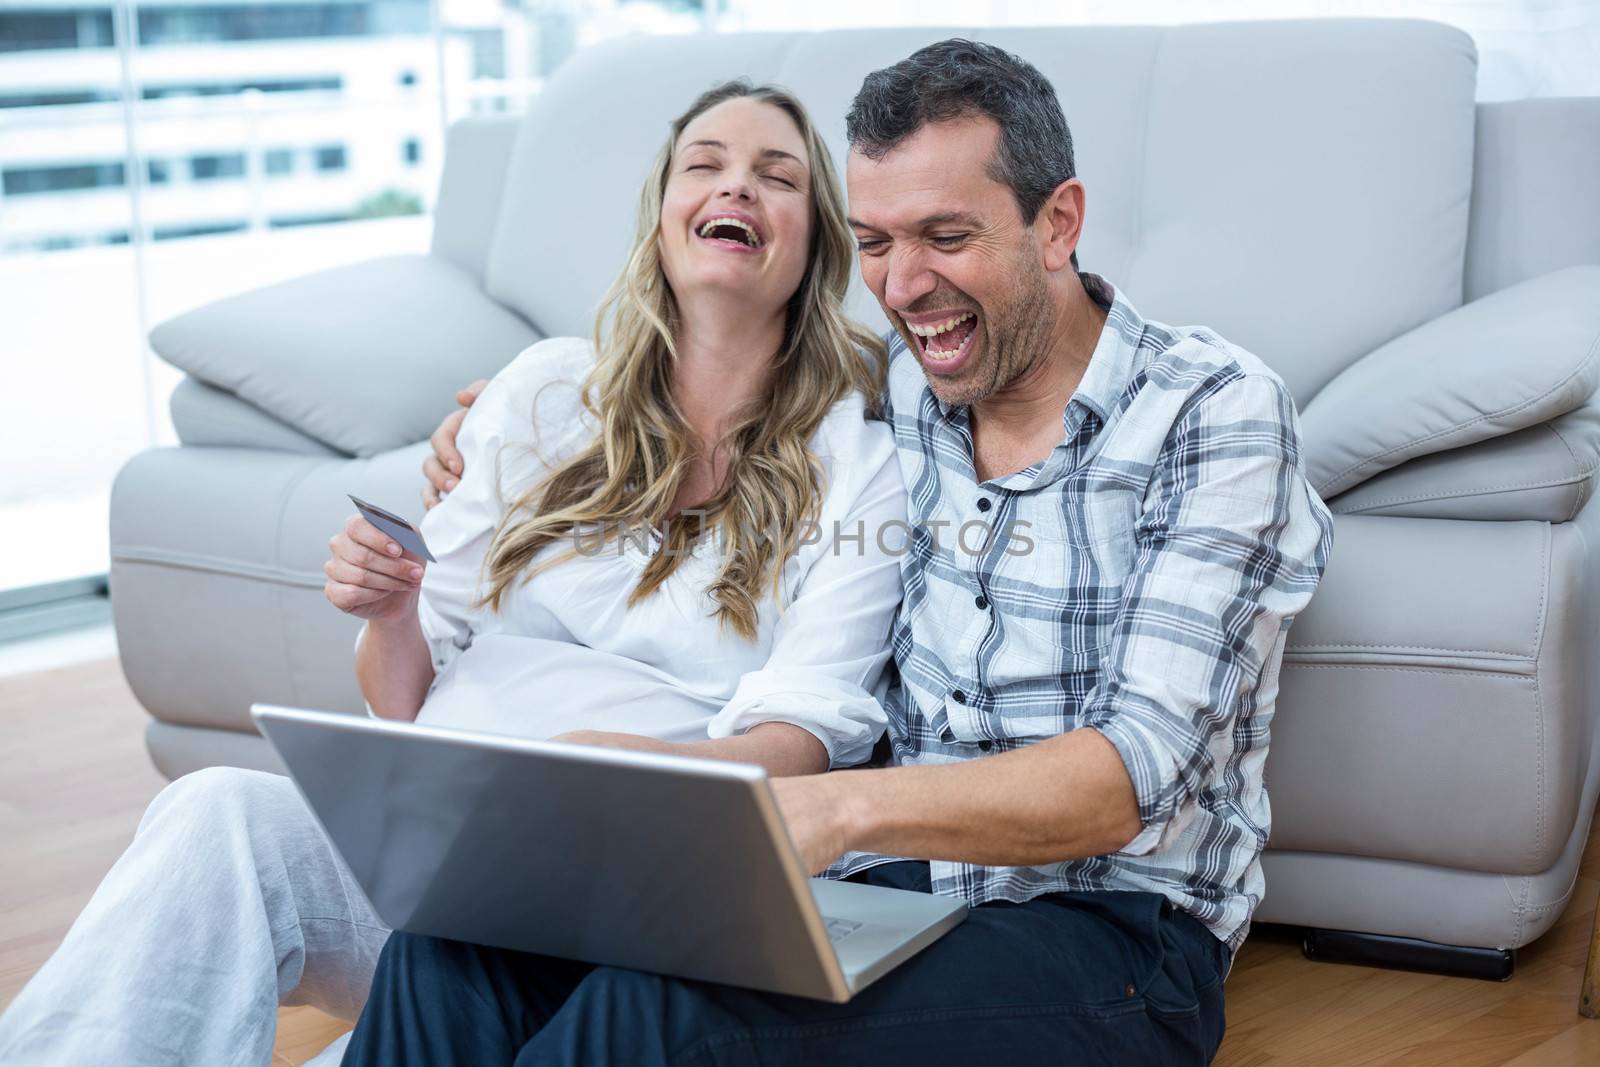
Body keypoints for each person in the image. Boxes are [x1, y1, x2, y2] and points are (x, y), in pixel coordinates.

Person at [351, 39, 1336, 1066]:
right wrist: (495, 424)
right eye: (873, 241)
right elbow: (709, 371)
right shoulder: (901, 390)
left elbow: (1128, 777)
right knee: (452, 948)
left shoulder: (1213, 411)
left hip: (1115, 937)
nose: (905, 286)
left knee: (659, 1020)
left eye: (945, 236)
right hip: (879, 888)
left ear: (1058, 223)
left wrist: (827, 806)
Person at [0, 80, 906, 1067]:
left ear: (814, 243)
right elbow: (408, 696)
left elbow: (804, 738)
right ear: (659, 219)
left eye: (776, 176)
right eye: (705, 164)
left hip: (624, 890)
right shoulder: (546, 389)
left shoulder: (856, 453)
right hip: (434, 851)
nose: (736, 185)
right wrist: (392, 613)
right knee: (215, 810)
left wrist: (612, 773)